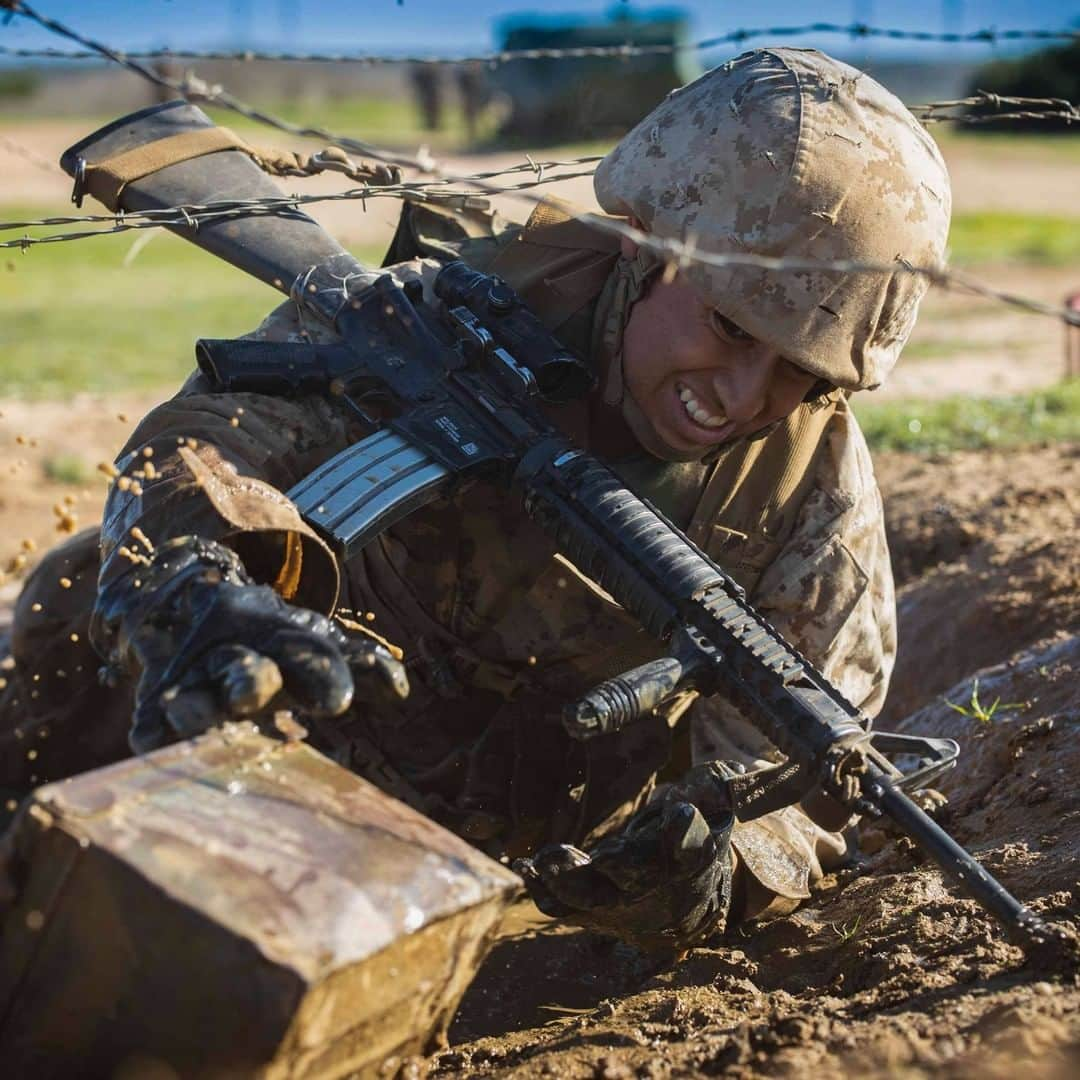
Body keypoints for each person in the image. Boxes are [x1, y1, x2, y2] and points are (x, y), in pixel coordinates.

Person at [0, 49, 949, 952]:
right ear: (648, 248)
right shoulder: (444, 312)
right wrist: (206, 585)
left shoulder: (810, 499)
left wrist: (715, 868)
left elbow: (793, 779)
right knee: (81, 597)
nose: (742, 396)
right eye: (729, 326)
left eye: (802, 375)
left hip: (493, 853)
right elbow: (203, 443)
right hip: (276, 720)